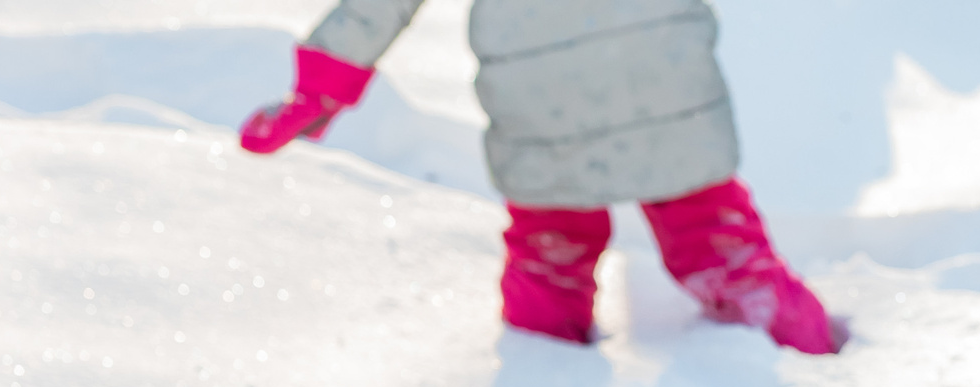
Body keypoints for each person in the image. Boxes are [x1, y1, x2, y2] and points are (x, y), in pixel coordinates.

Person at [237, 0, 837, 351]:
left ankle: (545, 375)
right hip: (661, 65)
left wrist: (322, 85)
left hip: (544, 93)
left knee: (552, 250)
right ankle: (809, 353)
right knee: (714, 235)